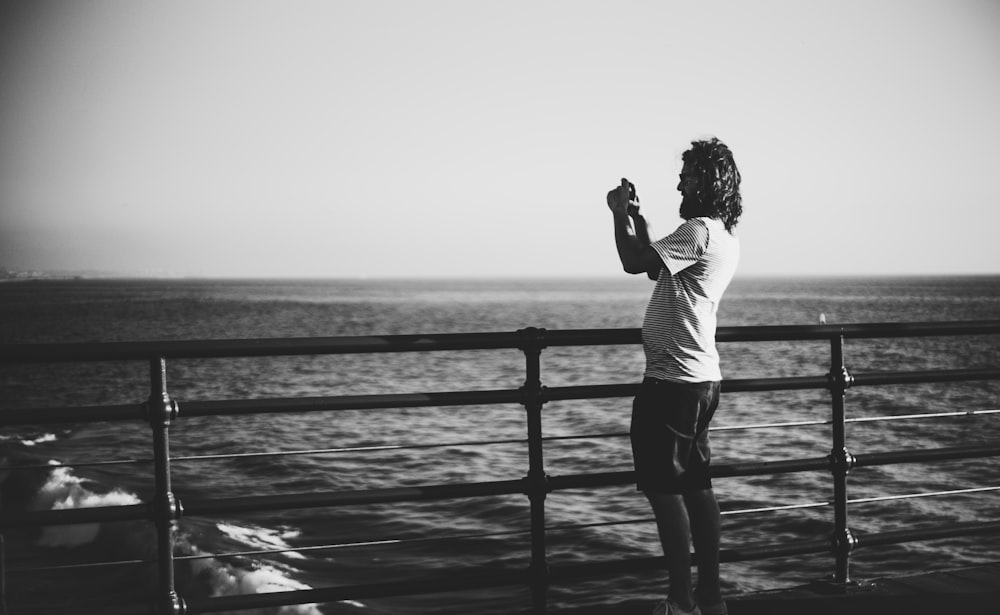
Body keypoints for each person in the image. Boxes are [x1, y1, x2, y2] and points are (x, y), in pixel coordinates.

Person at [607, 137, 742, 615]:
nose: (679, 182)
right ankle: (711, 596)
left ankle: (680, 602)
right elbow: (654, 268)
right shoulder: (721, 235)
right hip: (701, 381)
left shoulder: (699, 230)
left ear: (704, 181)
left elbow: (632, 261)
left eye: (686, 175)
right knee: (697, 488)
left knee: (666, 494)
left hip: (672, 383)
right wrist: (640, 220)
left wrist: (618, 214)